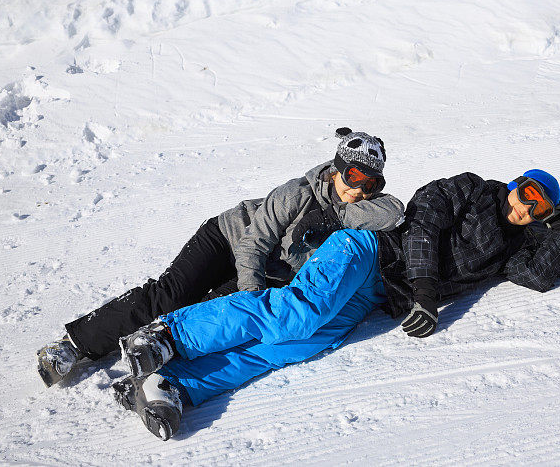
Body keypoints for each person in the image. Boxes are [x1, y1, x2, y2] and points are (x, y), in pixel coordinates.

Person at [110, 168, 560, 440]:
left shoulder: (516, 245)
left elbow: (537, 278)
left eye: (537, 209)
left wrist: (558, 232)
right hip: (367, 251)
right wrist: (425, 292)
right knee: (299, 312)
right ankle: (167, 335)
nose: (523, 208)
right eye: (526, 195)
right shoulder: (473, 188)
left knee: (300, 344)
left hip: (379, 292)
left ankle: (172, 385)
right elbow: (422, 225)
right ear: (515, 183)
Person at [36, 127, 405, 388]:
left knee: (211, 310)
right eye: (353, 175)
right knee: (170, 296)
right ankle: (73, 346)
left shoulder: (356, 211)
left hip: (272, 269)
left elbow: (395, 211)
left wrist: (335, 215)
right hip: (230, 239)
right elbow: (253, 245)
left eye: (370, 184)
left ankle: (155, 362)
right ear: (336, 166)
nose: (357, 189)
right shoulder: (297, 192)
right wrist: (250, 291)